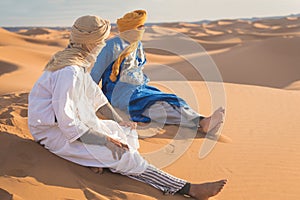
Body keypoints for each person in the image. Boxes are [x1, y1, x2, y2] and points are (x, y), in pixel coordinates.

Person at [28, 15, 226, 199]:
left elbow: (98, 99)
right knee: (120, 153)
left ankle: (107, 163)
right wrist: (104, 141)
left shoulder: (75, 64)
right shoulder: (68, 71)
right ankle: (187, 188)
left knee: (123, 131)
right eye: (100, 41)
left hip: (74, 125)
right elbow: (67, 123)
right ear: (91, 43)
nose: (103, 45)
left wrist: (119, 121)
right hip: (52, 133)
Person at [90, 10, 225, 136]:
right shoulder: (110, 46)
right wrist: (91, 103)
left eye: (143, 26)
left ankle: (201, 120)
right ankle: (201, 122)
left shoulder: (137, 44)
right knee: (157, 107)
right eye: (139, 27)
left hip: (141, 89)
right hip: (119, 95)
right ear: (129, 28)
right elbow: (93, 77)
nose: (142, 30)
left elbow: (137, 69)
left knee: (173, 99)